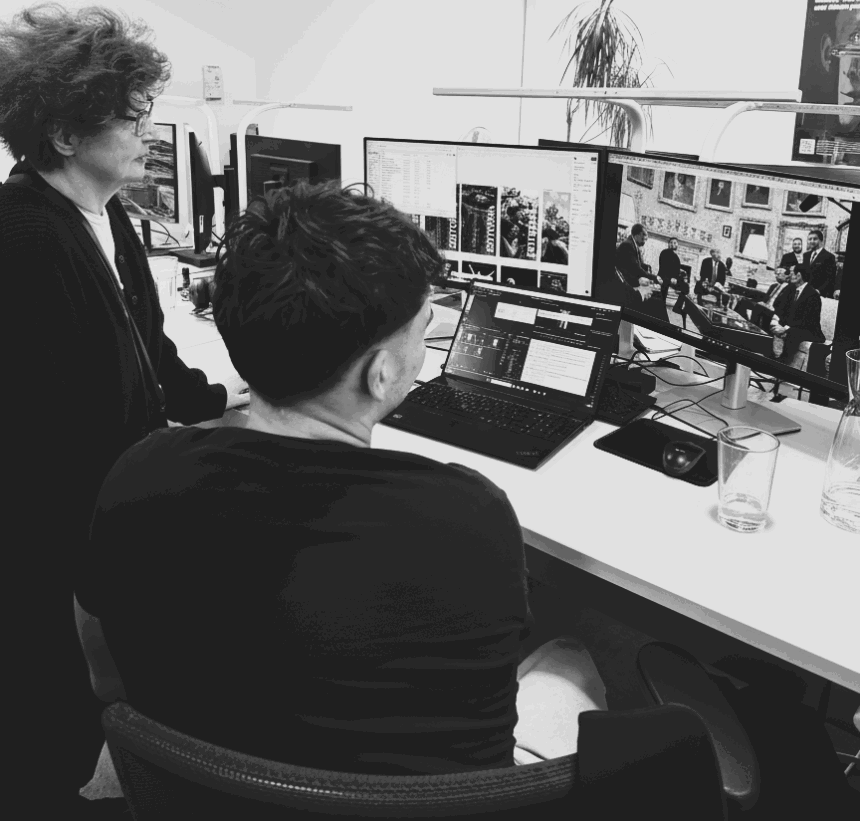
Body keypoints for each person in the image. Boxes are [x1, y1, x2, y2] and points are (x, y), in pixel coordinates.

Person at [74, 182, 607, 789]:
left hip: (195, 792)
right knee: (572, 659)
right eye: (424, 330)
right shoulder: (469, 515)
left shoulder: (140, 475)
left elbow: (105, 678)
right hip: (417, 805)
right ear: (380, 374)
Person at [0, 3, 248, 813]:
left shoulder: (105, 214)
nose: (149, 134)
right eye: (133, 119)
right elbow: (58, 432)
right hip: (51, 545)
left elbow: (149, 345)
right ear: (64, 134)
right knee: (51, 734)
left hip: (104, 511)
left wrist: (219, 396)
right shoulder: (24, 239)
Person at [770, 263, 825, 364]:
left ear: (798, 275)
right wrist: (777, 323)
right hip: (794, 326)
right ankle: (769, 358)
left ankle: (782, 365)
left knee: (792, 334)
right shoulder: (792, 289)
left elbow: (806, 321)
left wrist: (785, 329)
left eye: (791, 273)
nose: (789, 275)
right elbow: (781, 309)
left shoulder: (812, 295)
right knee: (771, 324)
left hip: (809, 331)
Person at [803, 229, 837, 299]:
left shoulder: (829, 256)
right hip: (805, 293)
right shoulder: (806, 255)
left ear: (821, 240)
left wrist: (819, 291)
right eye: (810, 239)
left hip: (820, 295)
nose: (812, 241)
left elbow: (830, 278)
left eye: (815, 239)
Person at [615, 223, 651, 288]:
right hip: (624, 284)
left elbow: (637, 263)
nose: (645, 238)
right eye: (644, 234)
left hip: (629, 282)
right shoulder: (628, 245)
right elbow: (635, 268)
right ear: (637, 235)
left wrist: (647, 267)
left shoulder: (633, 244)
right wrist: (653, 277)